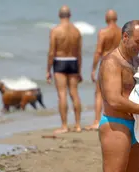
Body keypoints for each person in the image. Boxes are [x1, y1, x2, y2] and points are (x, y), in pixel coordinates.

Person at [98, 20, 139, 172]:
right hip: (116, 125)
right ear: (125, 36)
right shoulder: (111, 62)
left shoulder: (137, 62)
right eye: (138, 42)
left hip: (136, 125)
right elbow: (114, 100)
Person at [46, 5, 82, 134]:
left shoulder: (55, 31)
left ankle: (64, 126)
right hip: (73, 61)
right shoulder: (76, 31)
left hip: (60, 62)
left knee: (62, 94)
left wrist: (48, 70)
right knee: (74, 93)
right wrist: (79, 70)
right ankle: (78, 125)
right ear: (70, 15)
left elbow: (51, 52)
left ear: (59, 15)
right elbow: (79, 53)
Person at [85, 9, 122, 130]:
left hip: (106, 63)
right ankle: (117, 118)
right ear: (116, 18)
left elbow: (98, 51)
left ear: (106, 19)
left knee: (99, 93)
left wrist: (93, 69)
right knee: (117, 92)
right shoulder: (122, 32)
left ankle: (96, 121)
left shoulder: (103, 32)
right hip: (119, 63)